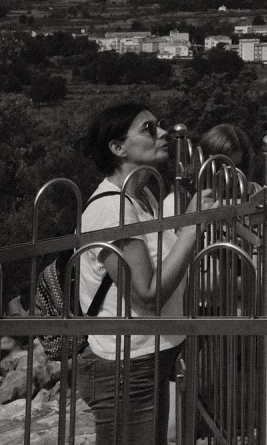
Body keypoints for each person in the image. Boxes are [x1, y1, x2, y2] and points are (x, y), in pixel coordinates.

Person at [77, 102, 215, 445]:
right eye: (148, 129)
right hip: (126, 367)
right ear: (118, 148)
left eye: (160, 125)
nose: (163, 133)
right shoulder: (112, 209)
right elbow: (147, 294)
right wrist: (192, 227)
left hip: (147, 359)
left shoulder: (144, 197)